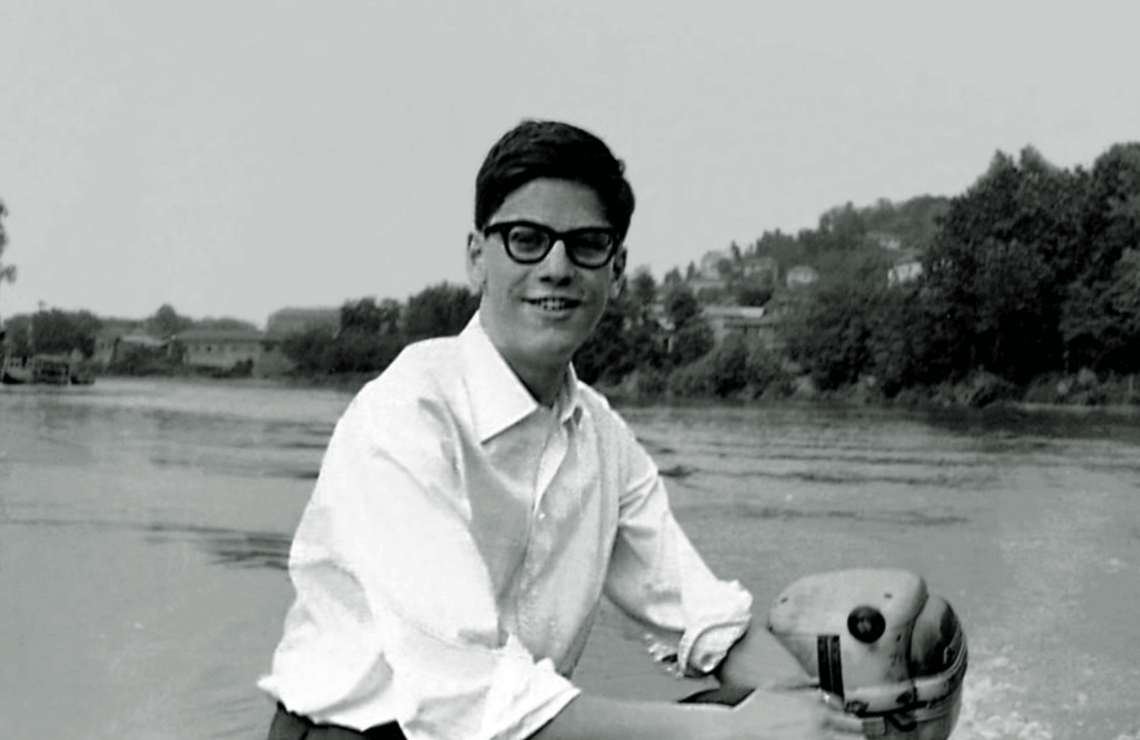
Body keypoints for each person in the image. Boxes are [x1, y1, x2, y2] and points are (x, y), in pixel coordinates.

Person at [260, 119, 847, 740]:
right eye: (526, 239)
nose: (557, 267)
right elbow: (466, 697)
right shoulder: (407, 416)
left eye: (586, 244)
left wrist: (820, 712)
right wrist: (733, 734)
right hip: (364, 734)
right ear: (476, 258)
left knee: (767, 709)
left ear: (616, 270)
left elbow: (705, 621)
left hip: (511, 726)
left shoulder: (599, 435)